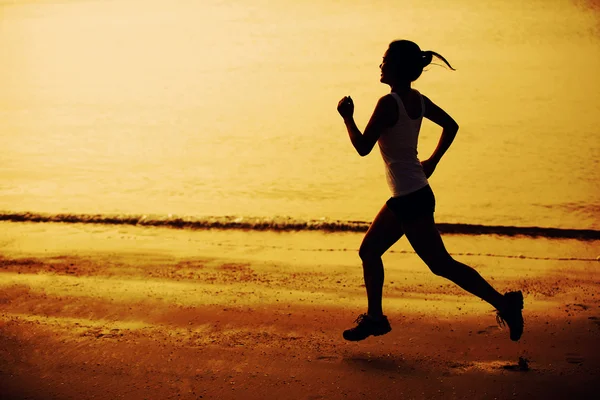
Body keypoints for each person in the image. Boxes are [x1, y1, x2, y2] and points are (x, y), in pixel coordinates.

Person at [337, 39, 524, 342]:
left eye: (385, 60)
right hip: (410, 195)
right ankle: (375, 318)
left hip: (411, 198)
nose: (380, 65)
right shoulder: (418, 100)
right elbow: (451, 125)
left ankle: (505, 304)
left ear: (396, 66)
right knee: (370, 251)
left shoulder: (389, 104)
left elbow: (362, 147)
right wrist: (433, 161)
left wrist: (347, 117)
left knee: (441, 264)